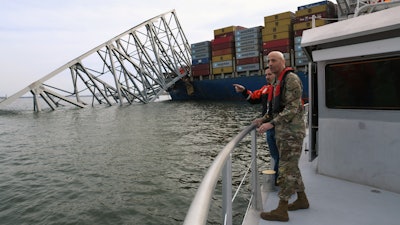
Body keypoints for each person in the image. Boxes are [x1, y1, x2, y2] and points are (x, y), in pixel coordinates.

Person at [255, 51, 308, 222]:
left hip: (292, 133)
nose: (270, 64)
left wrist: (272, 123)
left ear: (283, 62)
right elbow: (276, 109)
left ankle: (282, 210)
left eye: (274, 60)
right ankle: (302, 200)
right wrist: (263, 119)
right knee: (292, 167)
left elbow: (293, 108)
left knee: (285, 169)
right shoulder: (278, 81)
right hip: (284, 133)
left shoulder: (290, 79)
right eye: (268, 61)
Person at [233, 68, 279, 185]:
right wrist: (244, 90)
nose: (267, 77)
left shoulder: (283, 88)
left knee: (282, 155)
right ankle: (278, 178)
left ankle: (281, 181)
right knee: (274, 155)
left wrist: (270, 122)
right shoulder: (265, 89)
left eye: (270, 74)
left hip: (280, 128)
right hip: (268, 128)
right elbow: (253, 98)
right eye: (266, 75)